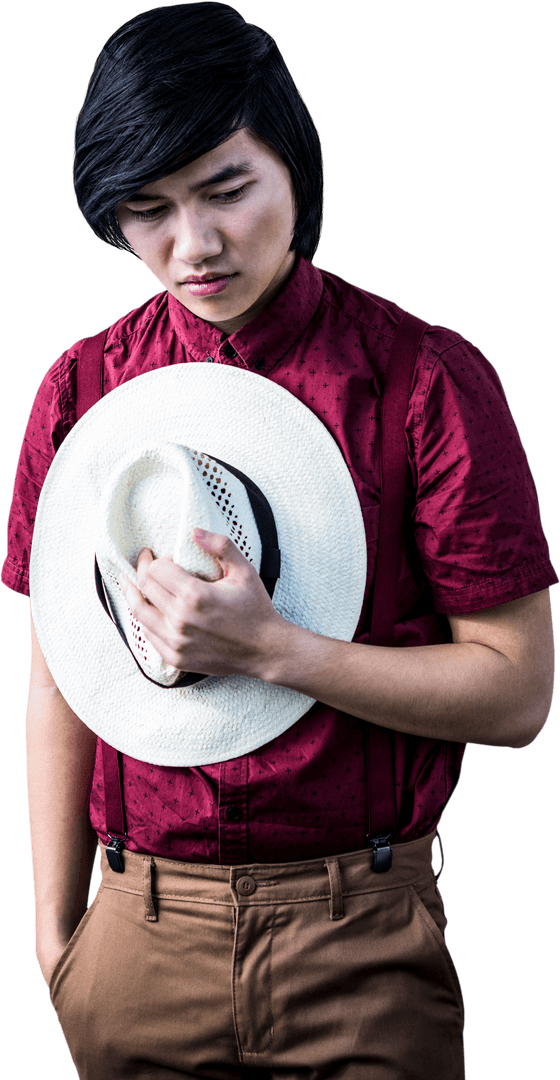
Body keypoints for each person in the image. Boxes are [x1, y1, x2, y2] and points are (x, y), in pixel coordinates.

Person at [2, 3, 557, 1078]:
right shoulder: (81, 391)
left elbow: (518, 695)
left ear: (295, 169)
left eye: (225, 189)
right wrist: (56, 935)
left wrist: (272, 652)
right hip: (136, 930)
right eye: (145, 208)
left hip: (360, 938)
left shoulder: (424, 380)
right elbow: (58, 684)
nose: (191, 246)